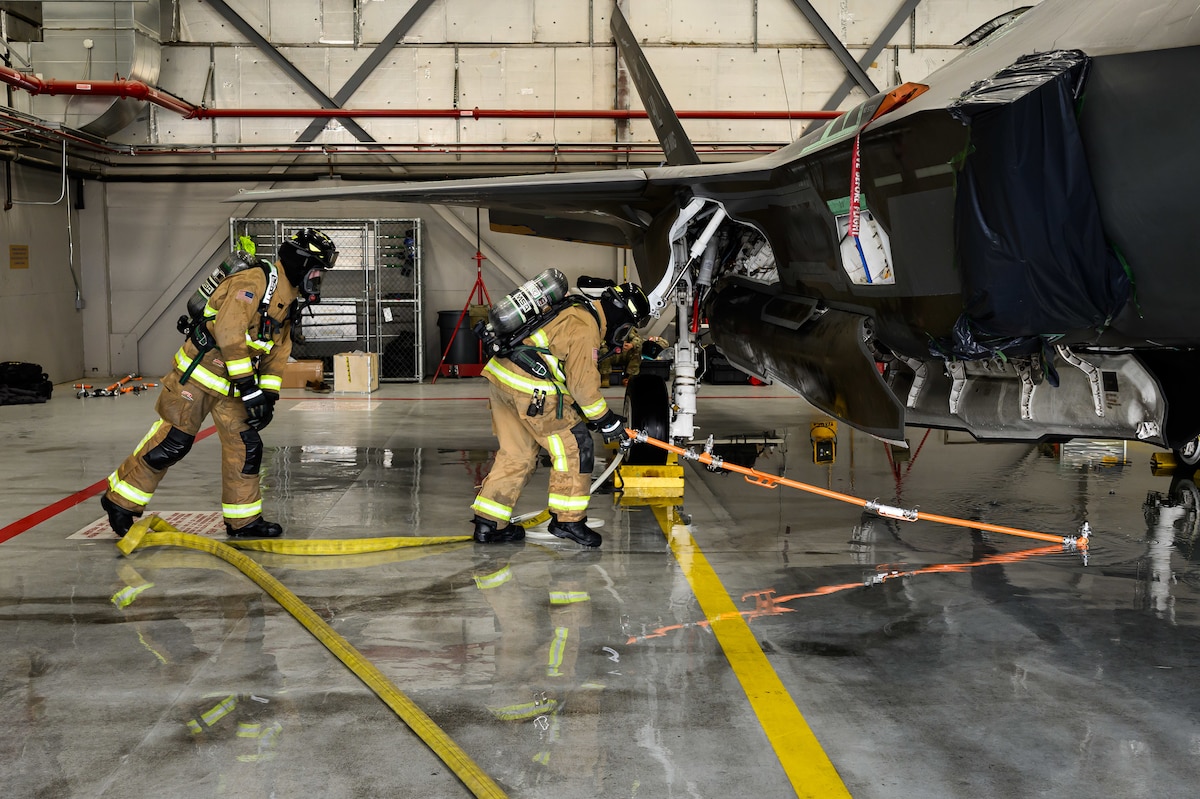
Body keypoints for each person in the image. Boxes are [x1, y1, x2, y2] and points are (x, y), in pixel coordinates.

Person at [100, 228, 339, 539]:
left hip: (234, 386)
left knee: (246, 447)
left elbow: (278, 350)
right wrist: (250, 388)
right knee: (173, 443)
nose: (317, 278)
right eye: (316, 270)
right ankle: (118, 501)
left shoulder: (288, 298)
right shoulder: (254, 282)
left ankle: (243, 521)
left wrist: (268, 393)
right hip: (198, 377)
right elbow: (229, 333)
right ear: (299, 263)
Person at [471, 280, 651, 547]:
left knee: (516, 455)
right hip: (530, 390)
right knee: (576, 447)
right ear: (621, 319)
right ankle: (568, 520)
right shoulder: (585, 326)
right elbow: (583, 388)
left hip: (502, 380)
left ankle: (489, 524)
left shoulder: (572, 307)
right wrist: (607, 421)